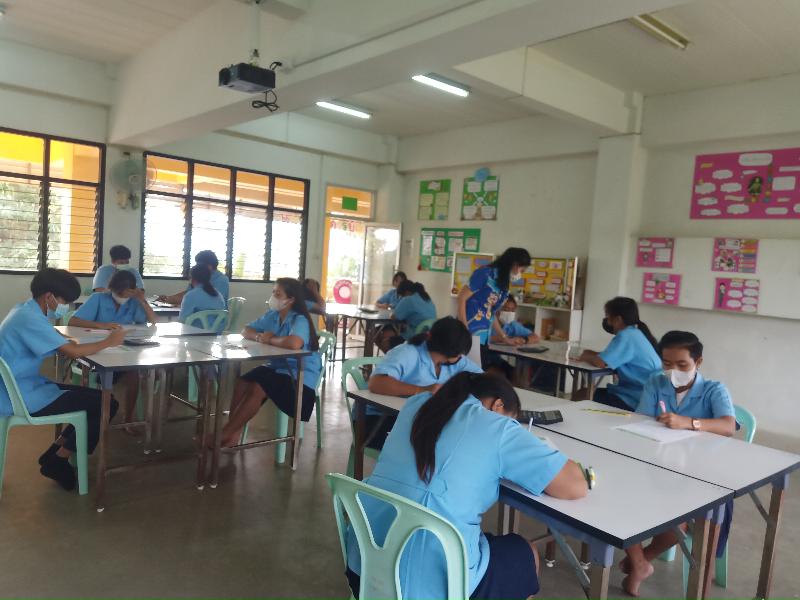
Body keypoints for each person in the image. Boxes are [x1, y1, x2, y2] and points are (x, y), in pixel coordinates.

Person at [345, 372, 588, 600]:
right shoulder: (497, 426)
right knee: (524, 552)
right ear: (498, 406)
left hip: (365, 570)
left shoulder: (417, 404)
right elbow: (574, 485)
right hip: (432, 587)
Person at [620, 331, 736, 596]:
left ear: (698, 362)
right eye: (667, 364)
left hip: (697, 473)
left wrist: (689, 423)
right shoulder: (656, 382)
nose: (674, 371)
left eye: (682, 365)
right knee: (618, 493)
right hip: (658, 464)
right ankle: (639, 563)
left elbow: (728, 426)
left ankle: (643, 559)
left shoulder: (714, 390)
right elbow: (640, 420)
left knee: (679, 517)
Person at [0, 268, 124, 490]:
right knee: (106, 404)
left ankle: (55, 451)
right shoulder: (30, 319)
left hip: (22, 385)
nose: (65, 306)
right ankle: (58, 460)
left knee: (100, 398)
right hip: (18, 395)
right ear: (49, 296)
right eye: (64, 301)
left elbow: (55, 338)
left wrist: (65, 341)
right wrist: (109, 342)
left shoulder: (24, 310)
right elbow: (73, 353)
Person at [216, 278, 321, 447]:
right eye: (273, 292)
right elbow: (246, 330)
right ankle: (233, 431)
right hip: (277, 367)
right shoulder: (273, 316)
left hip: (300, 376)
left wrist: (270, 339)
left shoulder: (299, 319)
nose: (273, 297)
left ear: (291, 299)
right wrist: (259, 337)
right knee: (243, 382)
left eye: (278, 294)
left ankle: (225, 433)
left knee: (258, 386)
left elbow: (294, 343)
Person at [366, 317, 482, 450]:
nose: (461, 358)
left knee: (457, 438)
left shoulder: (456, 360)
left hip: (414, 419)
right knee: (439, 445)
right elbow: (376, 383)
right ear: (449, 352)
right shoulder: (407, 352)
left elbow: (482, 379)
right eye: (458, 354)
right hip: (377, 421)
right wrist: (421, 390)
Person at [69, 270, 156, 429]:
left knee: (134, 374)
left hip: (122, 351)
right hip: (97, 350)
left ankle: (128, 418)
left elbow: (152, 321)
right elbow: (73, 321)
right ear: (112, 289)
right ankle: (101, 415)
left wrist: (142, 300)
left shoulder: (133, 301)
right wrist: (101, 325)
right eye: (120, 294)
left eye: (127, 294)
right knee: (105, 375)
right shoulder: (98, 298)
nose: (123, 298)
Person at [577, 297, 660, 410]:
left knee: (581, 395)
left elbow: (601, 362)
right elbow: (607, 356)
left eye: (608, 317)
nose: (607, 322)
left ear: (618, 319)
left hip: (635, 399)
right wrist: (591, 354)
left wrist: (585, 356)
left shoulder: (626, 336)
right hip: (644, 395)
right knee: (586, 393)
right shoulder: (636, 333)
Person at [457, 248, 531, 367]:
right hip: (470, 333)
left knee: (478, 372)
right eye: (522, 270)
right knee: (467, 373)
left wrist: (505, 338)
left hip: (484, 337)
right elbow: (461, 298)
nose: (520, 274)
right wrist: (464, 331)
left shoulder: (503, 284)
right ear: (515, 264)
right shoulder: (485, 273)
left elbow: (491, 313)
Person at [484, 296, 540, 380]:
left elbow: (536, 337)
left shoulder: (511, 325)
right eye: (506, 309)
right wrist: (502, 339)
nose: (509, 313)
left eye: (512, 310)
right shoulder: (486, 321)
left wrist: (524, 340)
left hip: (497, 361)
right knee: (499, 375)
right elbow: (479, 338)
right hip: (484, 360)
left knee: (518, 373)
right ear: (497, 309)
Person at [376, 280, 437, 352]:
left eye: (402, 296)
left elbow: (394, 317)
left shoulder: (409, 299)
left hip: (414, 337)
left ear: (407, 292)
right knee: (391, 332)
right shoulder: (427, 299)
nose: (402, 298)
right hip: (428, 338)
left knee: (384, 342)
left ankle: (394, 357)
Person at [158, 250, 229, 306]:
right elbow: (188, 292)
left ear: (209, 266)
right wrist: (169, 298)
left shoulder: (222, 280)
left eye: (199, 264)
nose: (197, 266)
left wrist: (175, 300)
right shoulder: (199, 276)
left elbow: (209, 301)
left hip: (215, 317)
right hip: (197, 315)